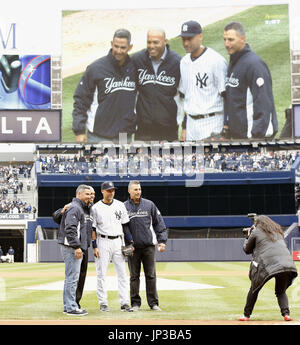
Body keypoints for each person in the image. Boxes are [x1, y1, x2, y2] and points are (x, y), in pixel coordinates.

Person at [72, 29, 137, 143]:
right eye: (116, 46)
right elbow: (81, 99)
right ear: (111, 44)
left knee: (124, 161)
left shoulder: (135, 68)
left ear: (130, 47)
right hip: (98, 136)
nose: (118, 51)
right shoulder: (96, 68)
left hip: (124, 136)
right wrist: (79, 131)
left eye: (123, 48)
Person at [223, 21, 278, 140]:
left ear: (242, 39)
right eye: (225, 39)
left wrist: (256, 135)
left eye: (231, 40)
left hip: (253, 137)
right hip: (240, 136)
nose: (227, 44)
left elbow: (263, 102)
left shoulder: (254, 64)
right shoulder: (234, 62)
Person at [239, 215, 298, 321]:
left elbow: (247, 249)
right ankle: (286, 314)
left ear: (258, 224)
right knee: (281, 291)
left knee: (254, 289)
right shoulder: (278, 232)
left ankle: (246, 315)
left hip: (266, 264)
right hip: (287, 264)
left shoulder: (256, 231)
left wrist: (247, 237)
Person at [178, 20, 227, 141]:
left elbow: (227, 97)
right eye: (184, 39)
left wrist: (226, 128)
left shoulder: (216, 61)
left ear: (200, 36)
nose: (186, 43)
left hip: (212, 122)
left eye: (190, 38)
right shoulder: (184, 62)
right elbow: (188, 97)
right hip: (191, 125)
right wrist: (184, 127)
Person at [124, 180, 168, 311]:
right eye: (135, 189)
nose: (138, 192)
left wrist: (162, 241)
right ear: (129, 191)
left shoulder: (149, 205)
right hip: (132, 248)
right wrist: (126, 245)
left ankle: (153, 304)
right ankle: (135, 304)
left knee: (151, 275)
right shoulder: (124, 206)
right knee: (133, 276)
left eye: (139, 189)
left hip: (148, 246)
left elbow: (159, 223)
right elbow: (122, 228)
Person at [131, 28, 181, 142]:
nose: (151, 46)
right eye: (149, 42)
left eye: (155, 42)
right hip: (144, 128)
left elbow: (185, 95)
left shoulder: (177, 62)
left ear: (165, 41)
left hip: (168, 128)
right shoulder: (137, 60)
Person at [91, 181, 133, 312]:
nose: (111, 192)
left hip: (118, 241)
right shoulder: (96, 207)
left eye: (113, 190)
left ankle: (125, 303)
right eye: (109, 190)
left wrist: (129, 242)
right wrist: (94, 246)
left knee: (122, 273)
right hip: (102, 240)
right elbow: (93, 228)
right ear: (102, 191)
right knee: (101, 274)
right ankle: (103, 303)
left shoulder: (120, 205)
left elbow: (125, 225)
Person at [53, 186, 95, 310]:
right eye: (87, 194)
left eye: (91, 194)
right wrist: (77, 247)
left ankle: (71, 305)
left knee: (75, 277)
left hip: (81, 246)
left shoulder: (87, 208)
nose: (90, 196)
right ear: (79, 194)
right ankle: (71, 306)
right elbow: (70, 229)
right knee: (72, 278)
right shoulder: (74, 207)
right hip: (73, 246)